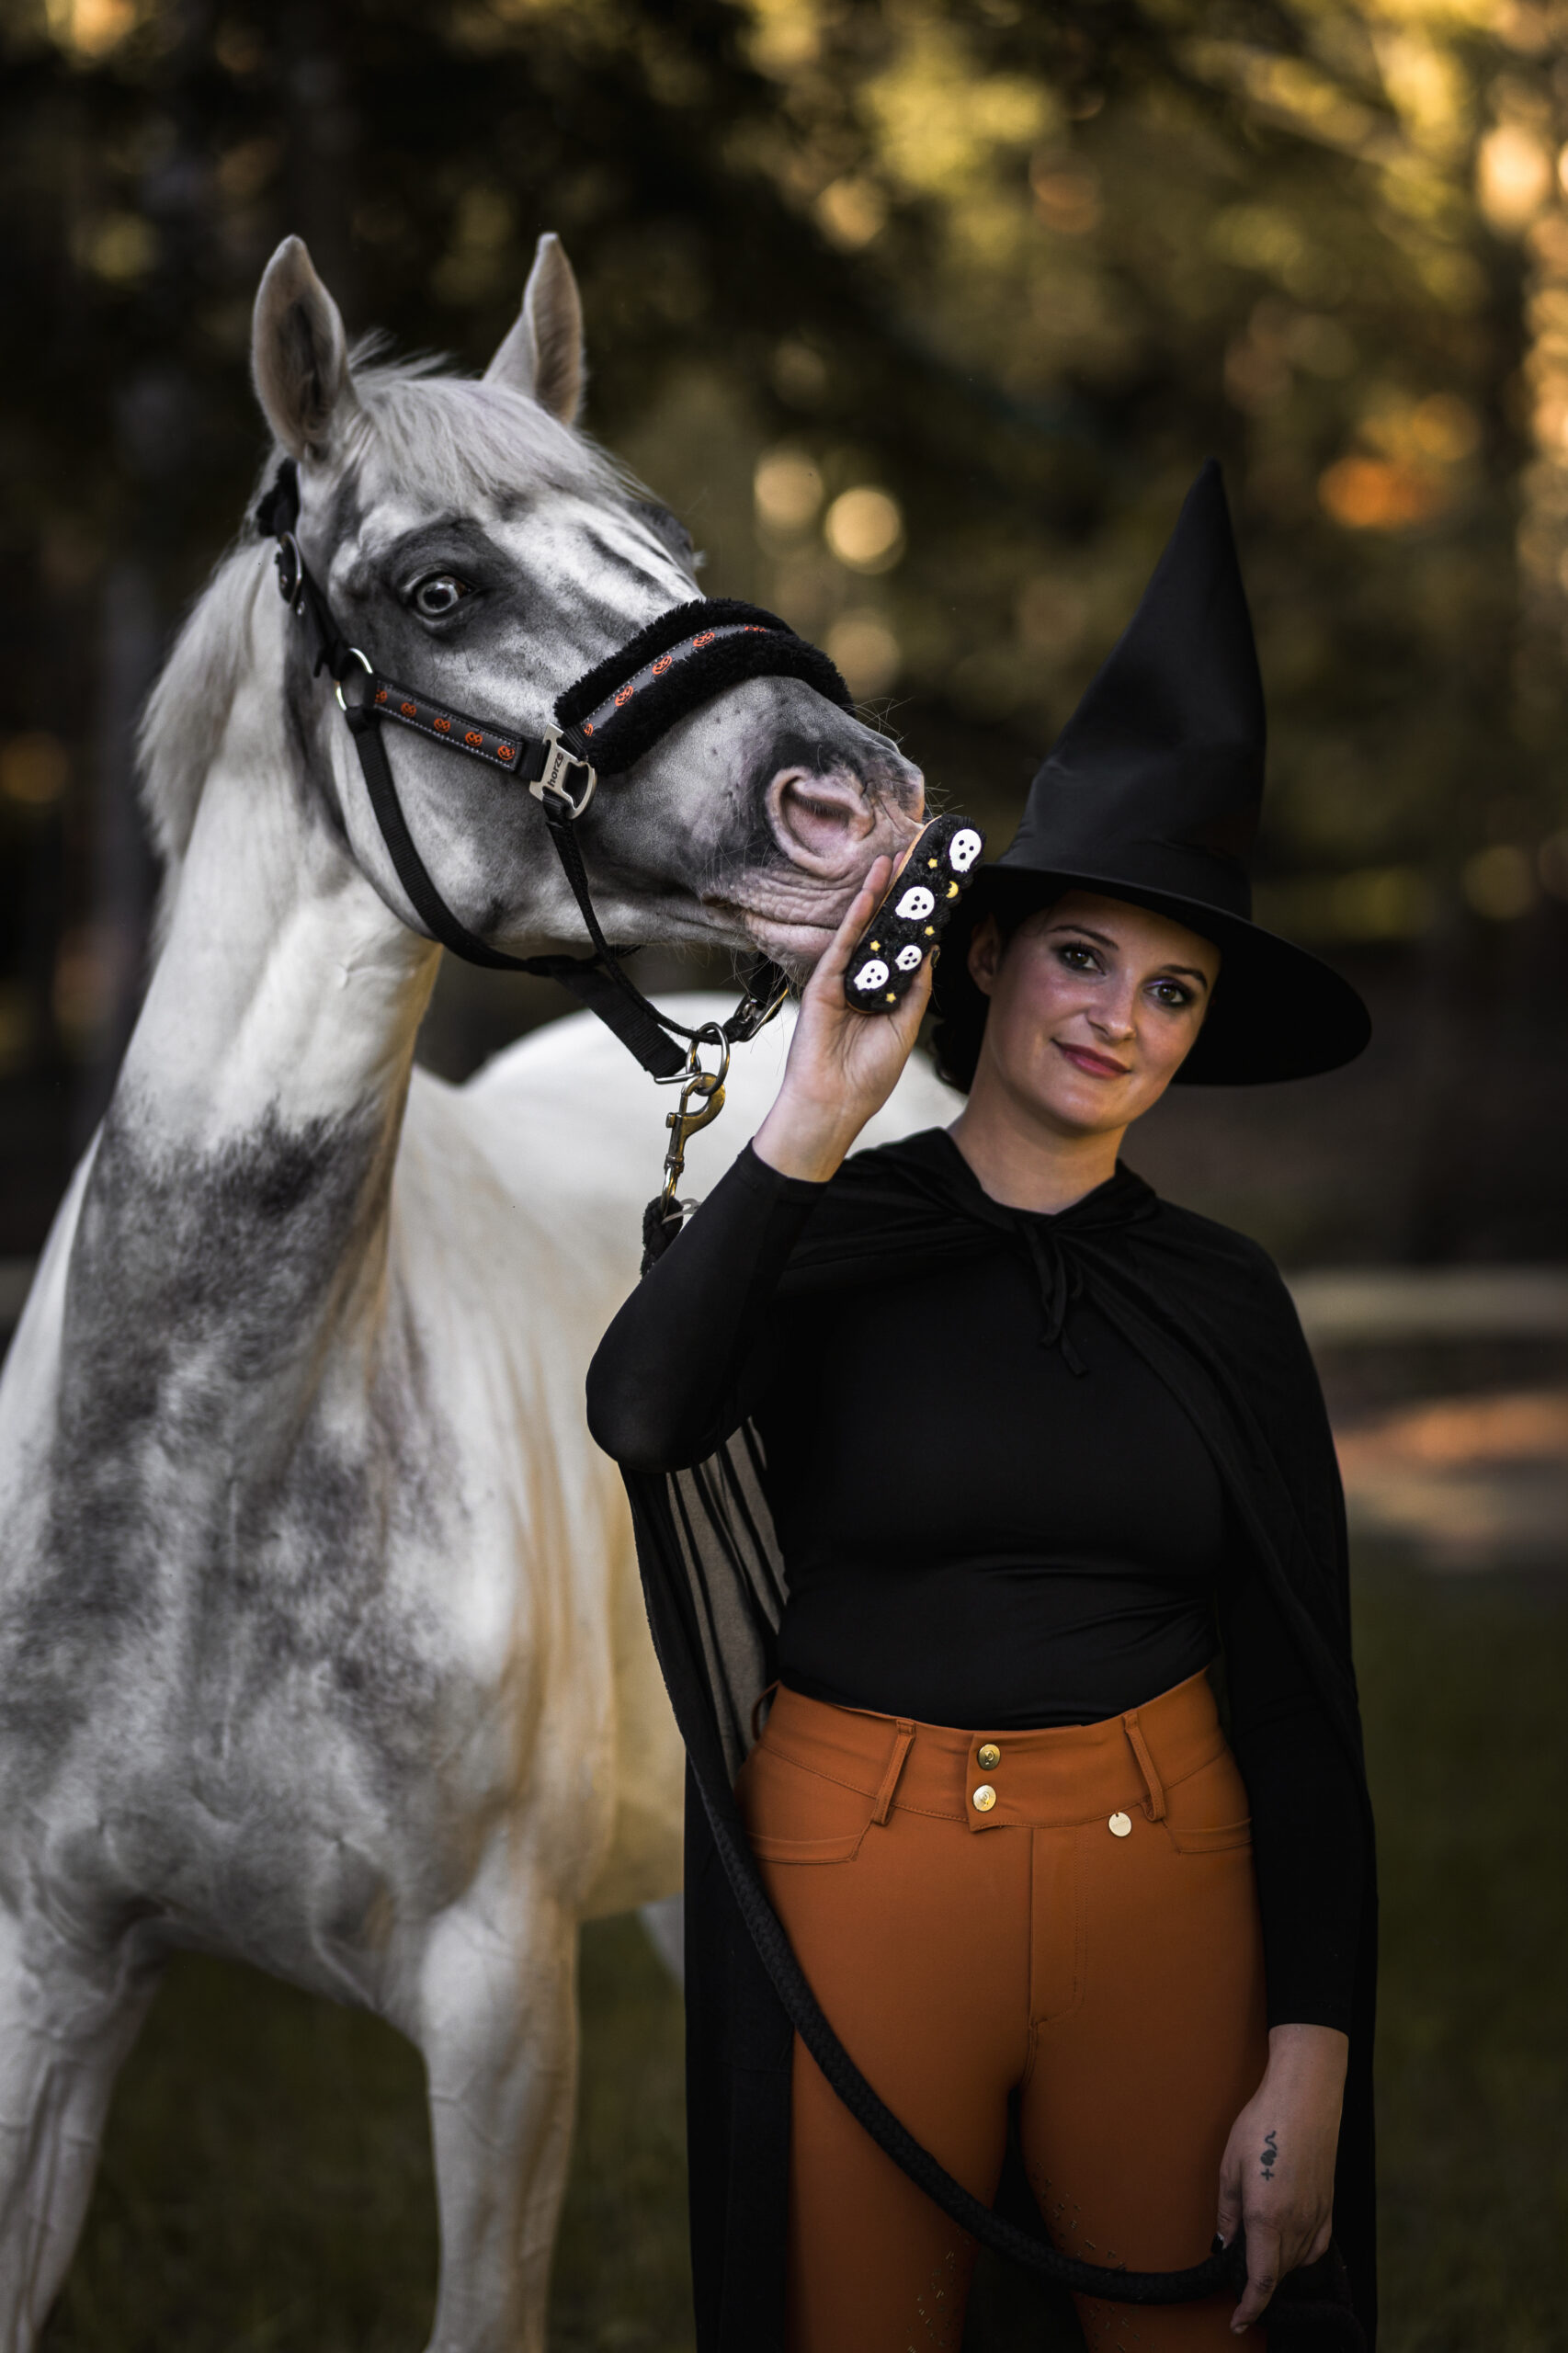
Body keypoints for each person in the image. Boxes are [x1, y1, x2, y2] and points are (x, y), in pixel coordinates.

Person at [587, 462, 1378, 2353]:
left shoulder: (1224, 1301)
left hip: (1167, 1871)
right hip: (856, 1869)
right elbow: (643, 1412)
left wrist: (1314, 2051)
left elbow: (1299, 1698)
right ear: (993, 957)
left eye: (1171, 991)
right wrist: (812, 1111)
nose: (1115, 1017)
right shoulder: (831, 1227)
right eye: (1083, 956)